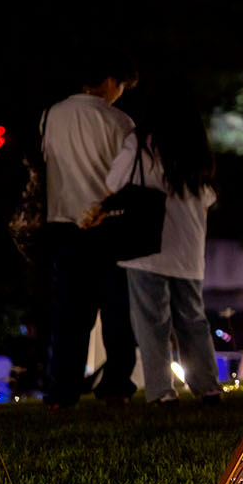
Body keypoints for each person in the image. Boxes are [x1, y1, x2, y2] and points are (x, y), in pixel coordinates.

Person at [95, 77, 221, 405]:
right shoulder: (196, 146)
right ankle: (208, 387)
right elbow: (207, 196)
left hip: (145, 245)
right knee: (193, 318)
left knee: (152, 323)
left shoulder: (140, 143)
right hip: (188, 244)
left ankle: (162, 392)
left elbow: (114, 181)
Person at [41, 54, 138, 409]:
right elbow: (128, 176)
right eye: (122, 86)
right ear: (110, 81)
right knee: (117, 310)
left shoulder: (52, 114)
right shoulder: (120, 121)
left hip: (63, 223)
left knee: (69, 313)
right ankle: (116, 385)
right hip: (108, 224)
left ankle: (62, 391)